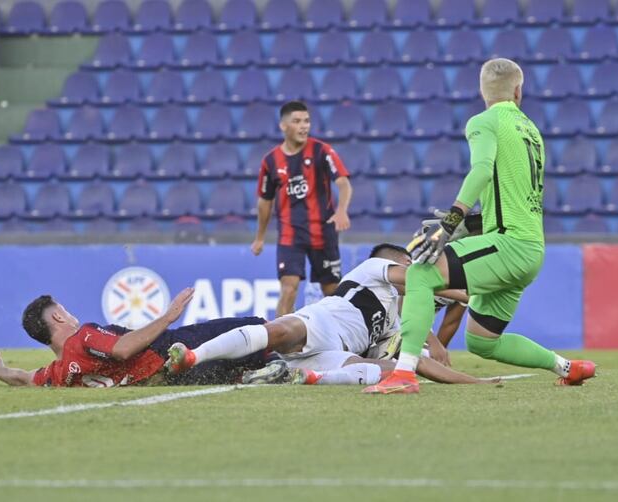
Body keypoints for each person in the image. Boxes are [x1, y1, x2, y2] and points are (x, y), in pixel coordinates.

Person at [365, 58, 596, 394]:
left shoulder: (483, 121)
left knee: (419, 273)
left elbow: (482, 170)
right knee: (482, 341)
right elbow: (510, 189)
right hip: (531, 249)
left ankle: (403, 374)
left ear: (481, 90)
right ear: (518, 90)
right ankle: (568, 367)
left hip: (508, 244)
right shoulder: (531, 130)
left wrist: (451, 221)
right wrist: (478, 221)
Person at [167, 244, 498, 386]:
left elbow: (420, 360)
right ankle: (192, 356)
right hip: (321, 323)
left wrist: (477, 382)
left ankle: (302, 377)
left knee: (402, 369)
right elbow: (422, 282)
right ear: (394, 261)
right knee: (281, 330)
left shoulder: (397, 322)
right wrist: (469, 291)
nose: (411, 270)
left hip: (334, 355)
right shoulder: (373, 269)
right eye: (407, 263)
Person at [0, 288, 277, 388]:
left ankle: (262, 372)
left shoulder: (62, 371)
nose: (70, 313)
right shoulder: (83, 335)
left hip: (165, 378)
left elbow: (28, 377)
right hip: (167, 350)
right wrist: (168, 316)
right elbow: (124, 349)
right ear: (58, 317)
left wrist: (2, 372)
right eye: (65, 309)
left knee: (232, 366)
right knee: (261, 328)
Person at [251, 100, 353, 317]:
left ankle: (344, 339)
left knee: (332, 291)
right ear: (283, 126)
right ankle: (277, 346)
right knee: (288, 289)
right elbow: (265, 201)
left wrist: (342, 210)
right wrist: (260, 237)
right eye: (297, 121)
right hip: (290, 234)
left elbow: (343, 183)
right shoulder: (271, 161)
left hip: (323, 231)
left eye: (306, 121)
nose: (304, 126)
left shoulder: (322, 151)